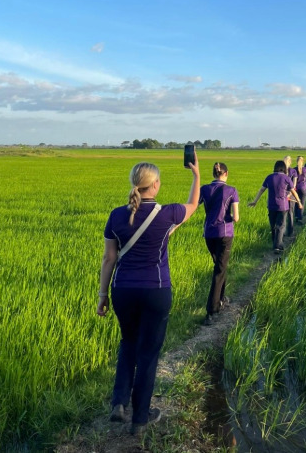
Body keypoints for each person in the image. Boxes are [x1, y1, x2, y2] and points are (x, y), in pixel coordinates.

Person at [97, 156, 200, 435]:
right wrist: (196, 175)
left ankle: (119, 402)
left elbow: (109, 258)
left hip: (123, 290)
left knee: (128, 342)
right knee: (148, 353)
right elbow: (193, 205)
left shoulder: (117, 215)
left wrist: (102, 295)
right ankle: (140, 418)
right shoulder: (168, 213)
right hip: (156, 290)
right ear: (155, 185)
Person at [199, 162, 239, 326]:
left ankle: (221, 298)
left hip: (209, 233)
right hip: (225, 233)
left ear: (213, 174)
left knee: (220, 266)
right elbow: (236, 217)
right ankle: (212, 310)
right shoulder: (232, 190)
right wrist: (230, 217)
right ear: (226, 173)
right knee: (219, 269)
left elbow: (192, 205)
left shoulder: (204, 189)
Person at [248, 160, 303, 253]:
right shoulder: (286, 178)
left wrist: (255, 201)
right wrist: (299, 202)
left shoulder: (269, 177)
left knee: (273, 225)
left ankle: (275, 243)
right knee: (280, 226)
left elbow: (262, 190)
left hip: (271, 206)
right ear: (284, 168)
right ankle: (277, 246)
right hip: (283, 206)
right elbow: (293, 192)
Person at [283, 155, 297, 237]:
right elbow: (294, 185)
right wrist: (290, 194)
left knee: (283, 213)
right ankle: (290, 232)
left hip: (282, 195)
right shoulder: (293, 171)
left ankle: (283, 232)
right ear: (290, 162)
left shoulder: (281, 171)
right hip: (291, 194)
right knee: (290, 213)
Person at [294, 156, 306, 223]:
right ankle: (300, 218)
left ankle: (296, 216)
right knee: (302, 203)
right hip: (303, 188)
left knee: (296, 202)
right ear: (303, 161)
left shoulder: (294, 169)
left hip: (295, 188)